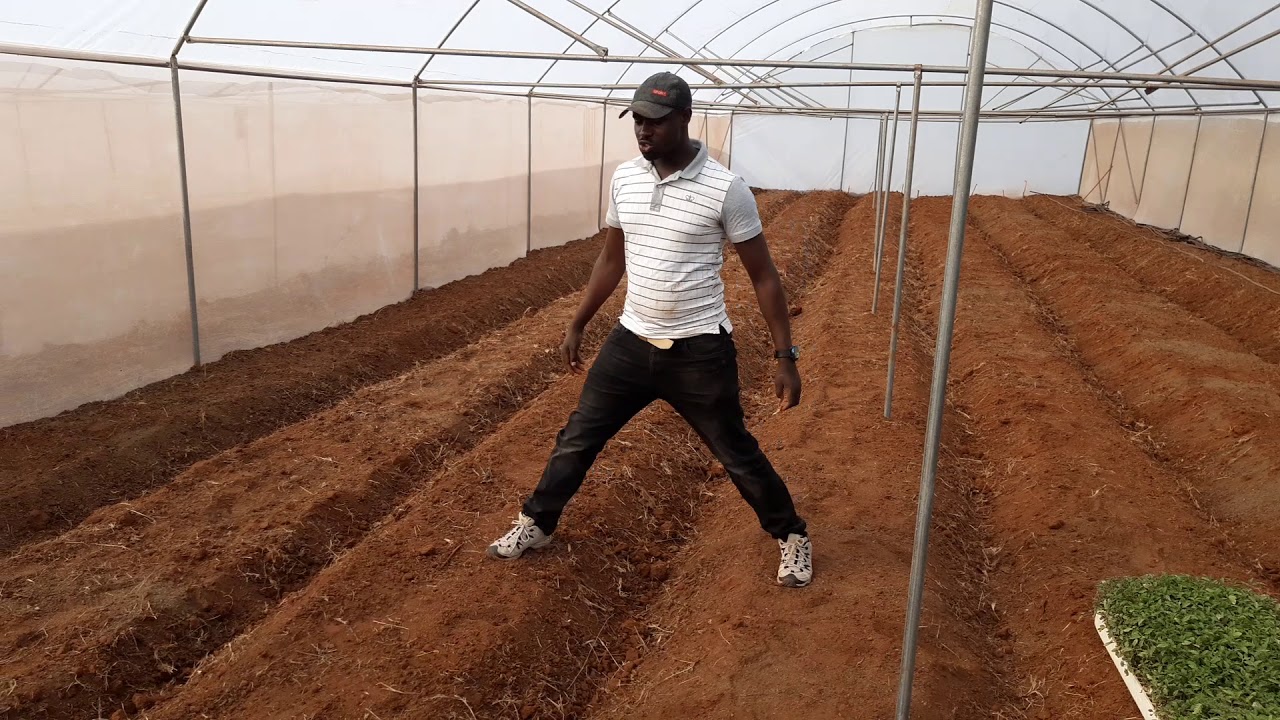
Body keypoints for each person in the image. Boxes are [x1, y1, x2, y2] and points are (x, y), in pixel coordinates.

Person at [486, 72, 812, 588]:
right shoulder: (625, 178)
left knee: (736, 453)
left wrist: (784, 355)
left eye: (656, 122)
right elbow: (611, 259)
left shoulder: (726, 189)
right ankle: (538, 522)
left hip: (700, 352)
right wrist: (578, 322)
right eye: (638, 120)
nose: (644, 131)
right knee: (577, 439)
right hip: (630, 343)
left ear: (684, 119)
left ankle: (791, 535)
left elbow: (764, 276)